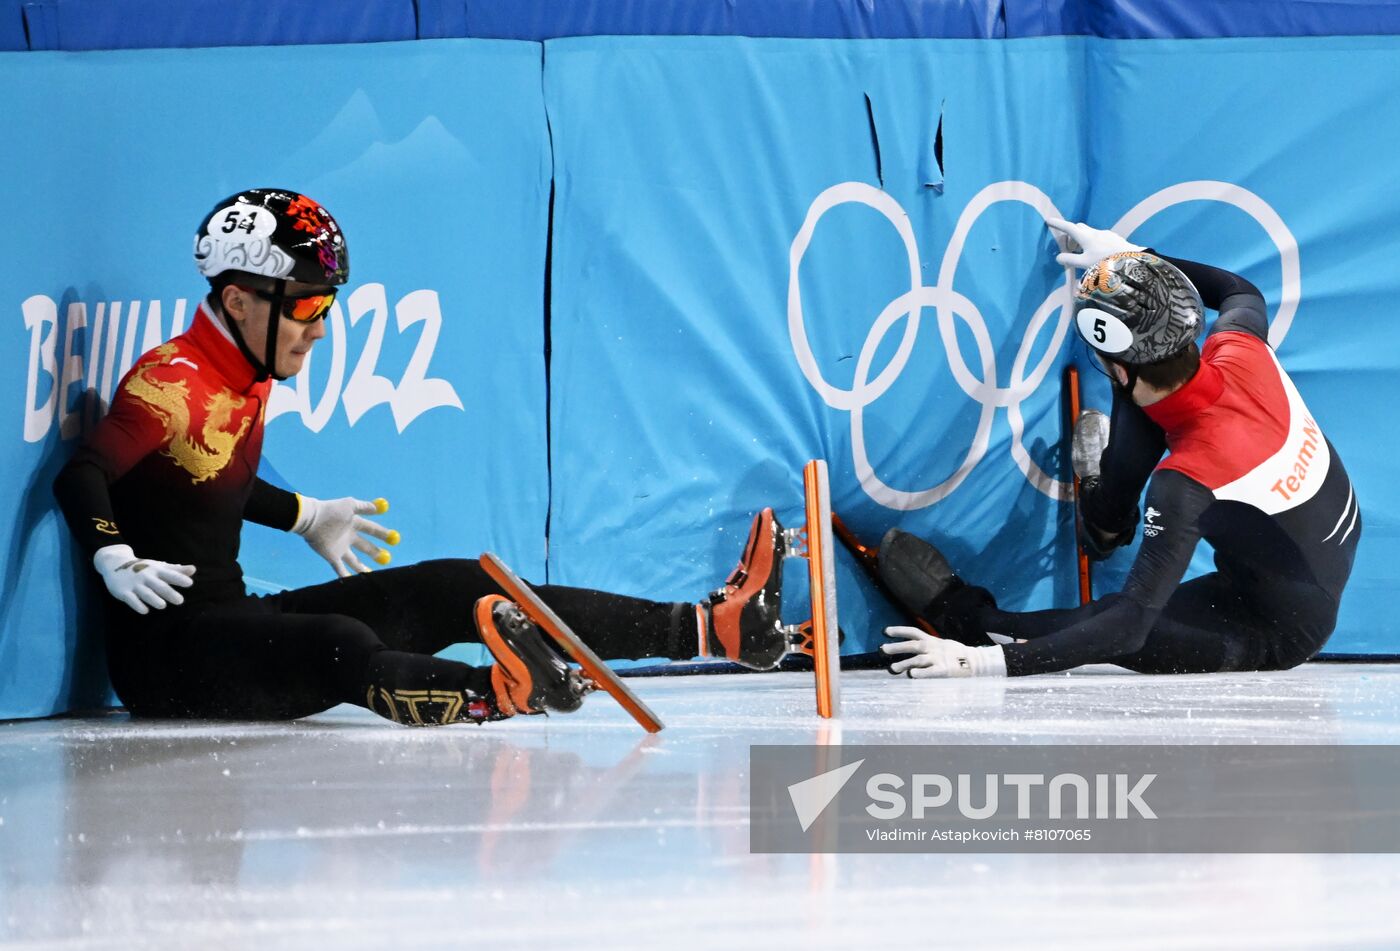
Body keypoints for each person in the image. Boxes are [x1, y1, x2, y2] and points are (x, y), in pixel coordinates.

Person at [52, 188, 789, 726]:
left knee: (458, 582)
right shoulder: (170, 380)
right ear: (240, 300)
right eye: (307, 306)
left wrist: (305, 515)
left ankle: (711, 627)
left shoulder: (244, 369)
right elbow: (84, 472)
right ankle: (493, 691)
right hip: (167, 662)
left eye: (328, 306)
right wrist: (111, 554)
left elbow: (199, 478)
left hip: (230, 621)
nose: (319, 329)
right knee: (343, 642)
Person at [879, 218, 1360, 679]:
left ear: (1122, 366)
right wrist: (1132, 259)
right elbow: (1240, 291)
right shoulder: (1239, 349)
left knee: (1102, 618)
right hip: (1294, 563)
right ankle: (1106, 522)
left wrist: (978, 666)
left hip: (1273, 630)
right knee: (1147, 404)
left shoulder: (1186, 480)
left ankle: (967, 621)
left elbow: (1129, 628)